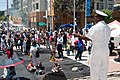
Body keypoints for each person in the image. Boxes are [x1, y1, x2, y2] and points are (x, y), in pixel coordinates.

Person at [73, 10, 111, 80]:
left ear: (99, 18)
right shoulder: (108, 28)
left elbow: (88, 38)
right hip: (105, 49)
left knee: (95, 69)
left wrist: (78, 36)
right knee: (104, 68)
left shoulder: (96, 27)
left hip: (97, 49)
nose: (94, 18)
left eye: (95, 16)